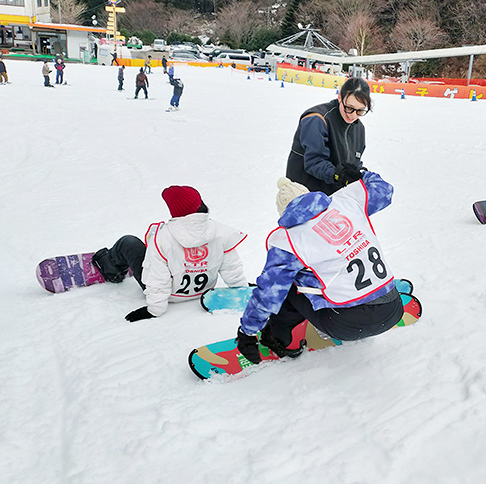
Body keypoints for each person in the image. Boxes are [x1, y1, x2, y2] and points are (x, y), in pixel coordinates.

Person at [235, 172, 402, 364]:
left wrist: (246, 332)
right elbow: (384, 190)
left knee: (287, 284)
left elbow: (269, 294)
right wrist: (360, 174)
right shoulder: (346, 202)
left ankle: (283, 340)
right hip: (394, 308)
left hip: (347, 325)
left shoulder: (288, 240)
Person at [91, 185, 248, 322]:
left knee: (129, 243)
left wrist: (154, 310)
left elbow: (157, 277)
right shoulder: (221, 232)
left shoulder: (162, 237)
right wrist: (243, 290)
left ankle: (109, 268)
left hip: (171, 295)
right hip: (203, 292)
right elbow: (231, 268)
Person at [286, 77, 370, 195]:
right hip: (305, 196)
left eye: (360, 111)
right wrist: (338, 175)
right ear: (340, 97)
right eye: (349, 108)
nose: (353, 115)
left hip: (334, 198)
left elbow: (354, 162)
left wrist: (362, 175)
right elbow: (314, 162)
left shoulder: (359, 128)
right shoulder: (317, 119)